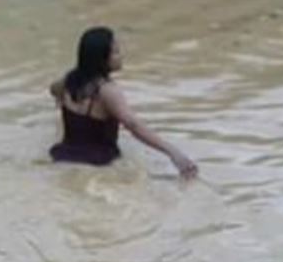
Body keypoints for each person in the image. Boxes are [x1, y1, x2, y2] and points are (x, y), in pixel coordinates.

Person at [48, 27, 198, 178]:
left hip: (62, 157)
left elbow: (53, 89)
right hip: (100, 166)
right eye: (116, 52)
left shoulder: (69, 80)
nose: (121, 56)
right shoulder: (107, 90)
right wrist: (173, 152)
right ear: (102, 58)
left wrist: (60, 100)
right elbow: (133, 125)